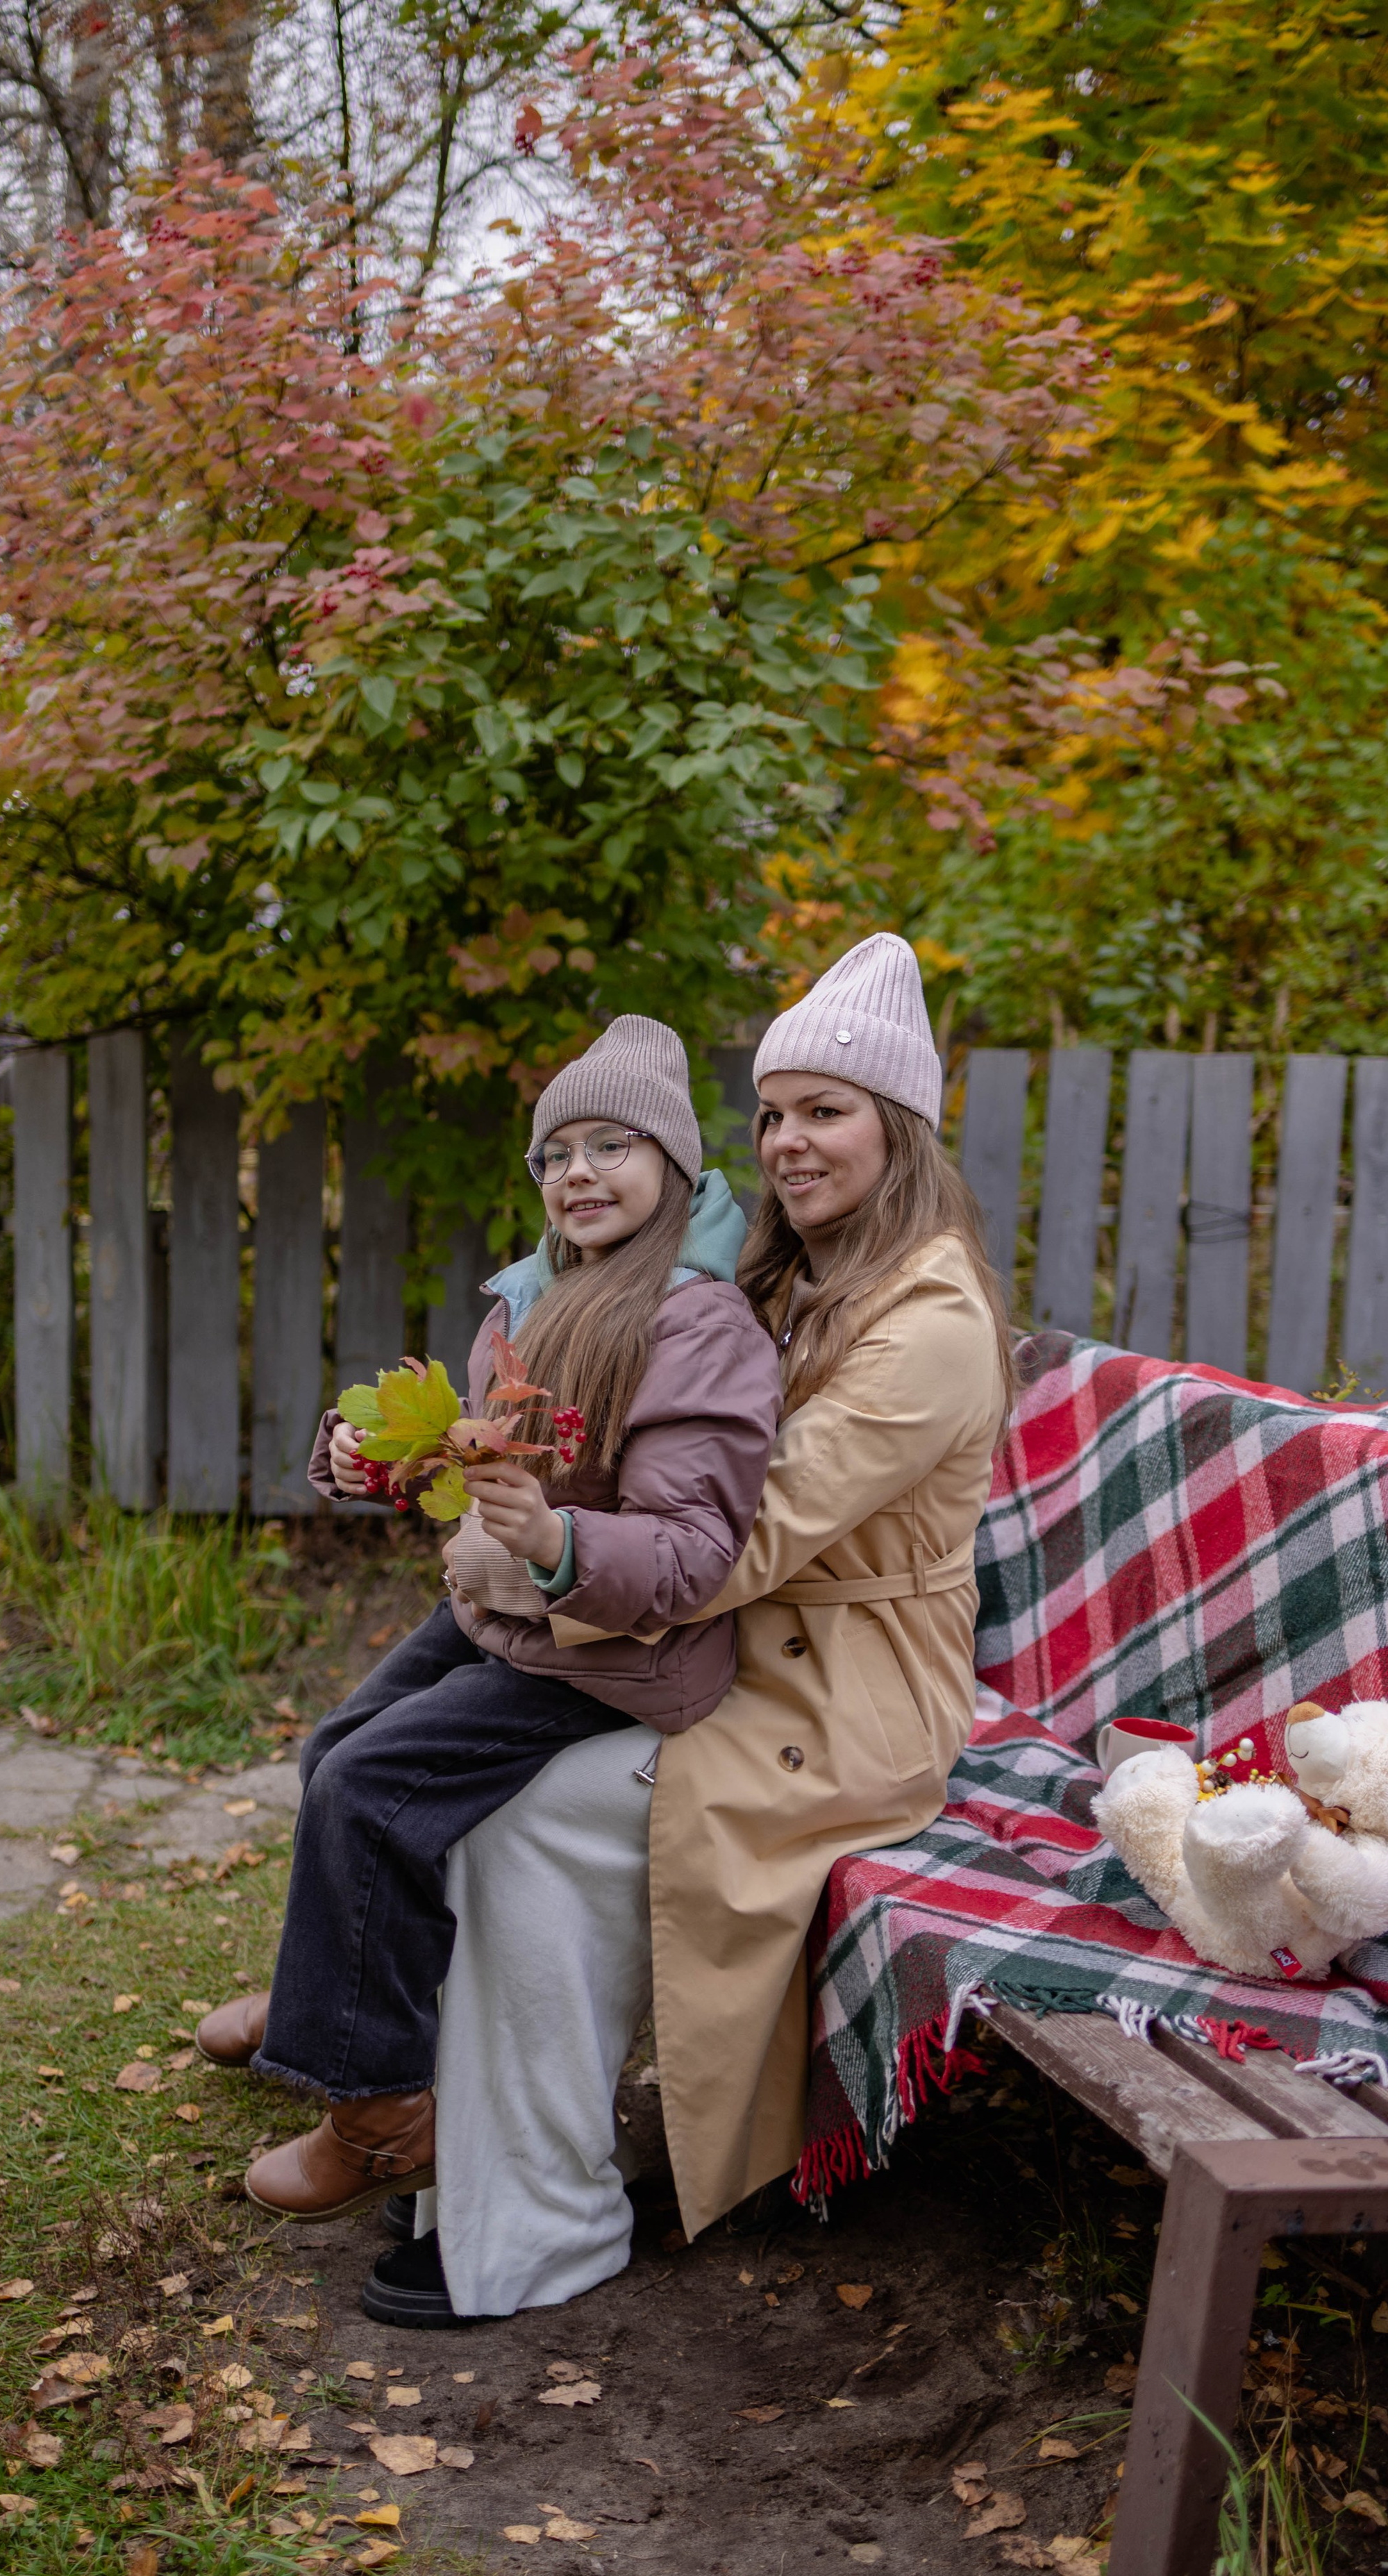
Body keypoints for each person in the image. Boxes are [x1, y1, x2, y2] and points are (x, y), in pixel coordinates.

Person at [362, 929, 1014, 2325]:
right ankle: (447, 2151)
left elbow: (738, 1538)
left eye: (824, 1113)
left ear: (897, 1131)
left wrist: (521, 1554)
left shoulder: (929, 1319)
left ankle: (534, 2217)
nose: (786, 1142)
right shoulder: (791, 1275)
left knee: (527, 1813)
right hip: (721, 1648)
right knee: (433, 1764)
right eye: (771, 1114)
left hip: (841, 1695)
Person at [192, 1015, 782, 2228]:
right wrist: (385, 1464)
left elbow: (691, 1552)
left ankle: (381, 2114)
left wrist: (558, 1541)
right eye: (556, 1152)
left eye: (611, 1145)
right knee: (331, 1755)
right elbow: (480, 1465)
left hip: (615, 1652)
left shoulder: (697, 1325)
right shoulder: (533, 1298)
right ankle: (329, 2005)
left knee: (372, 1791)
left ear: (673, 1167)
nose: (578, 1172)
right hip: (514, 1614)